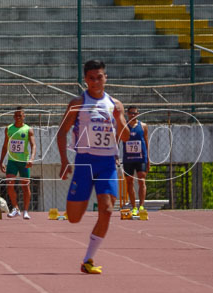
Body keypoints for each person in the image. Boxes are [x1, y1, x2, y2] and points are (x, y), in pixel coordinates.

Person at [57, 60, 129, 275]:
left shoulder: (115, 104)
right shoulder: (78, 102)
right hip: (84, 161)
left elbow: (124, 136)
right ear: (85, 80)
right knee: (74, 218)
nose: (96, 81)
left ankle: (88, 259)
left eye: (100, 77)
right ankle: (78, 199)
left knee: (107, 210)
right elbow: (62, 132)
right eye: (91, 78)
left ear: (106, 77)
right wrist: (64, 160)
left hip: (107, 163)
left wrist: (119, 117)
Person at [0, 107, 36, 219]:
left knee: (25, 186)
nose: (18, 117)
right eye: (16, 115)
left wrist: (32, 159)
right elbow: (5, 146)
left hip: (24, 161)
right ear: (13, 117)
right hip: (12, 161)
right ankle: (15, 208)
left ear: (24, 116)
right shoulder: (9, 129)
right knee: (10, 184)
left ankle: (26, 210)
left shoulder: (28, 129)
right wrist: (1, 161)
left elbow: (33, 145)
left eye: (20, 115)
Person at [122, 105, 149, 217]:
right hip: (128, 159)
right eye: (131, 113)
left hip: (140, 158)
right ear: (127, 114)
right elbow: (118, 140)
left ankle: (141, 206)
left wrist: (148, 159)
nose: (133, 115)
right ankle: (133, 207)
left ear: (138, 114)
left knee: (142, 180)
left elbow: (146, 142)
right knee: (129, 182)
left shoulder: (143, 126)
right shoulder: (124, 126)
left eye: (135, 113)